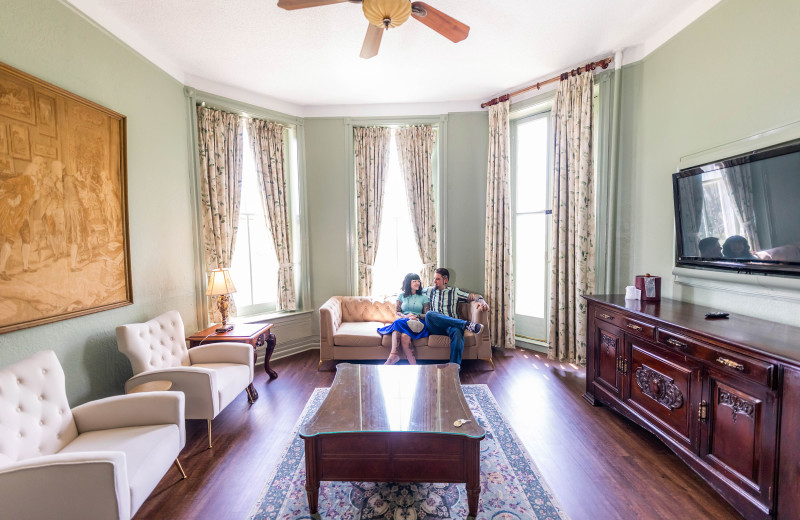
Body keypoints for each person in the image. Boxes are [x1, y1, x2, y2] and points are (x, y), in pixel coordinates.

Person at [423, 268, 489, 364]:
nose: (434, 281)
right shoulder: (429, 291)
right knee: (429, 314)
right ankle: (466, 324)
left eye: (437, 279)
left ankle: (454, 367)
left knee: (458, 332)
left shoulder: (455, 292)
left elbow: (474, 296)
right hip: (435, 327)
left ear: (445, 280)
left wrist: (482, 301)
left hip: (451, 326)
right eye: (434, 279)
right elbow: (412, 291)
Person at [377, 273, 430, 365]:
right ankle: (414, 365)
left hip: (418, 322)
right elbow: (397, 312)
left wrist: (416, 316)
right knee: (404, 337)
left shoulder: (424, 297)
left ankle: (393, 355)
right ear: (408, 283)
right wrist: (406, 316)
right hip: (405, 321)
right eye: (414, 281)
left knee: (397, 322)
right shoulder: (401, 296)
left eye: (418, 281)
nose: (418, 283)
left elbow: (427, 314)